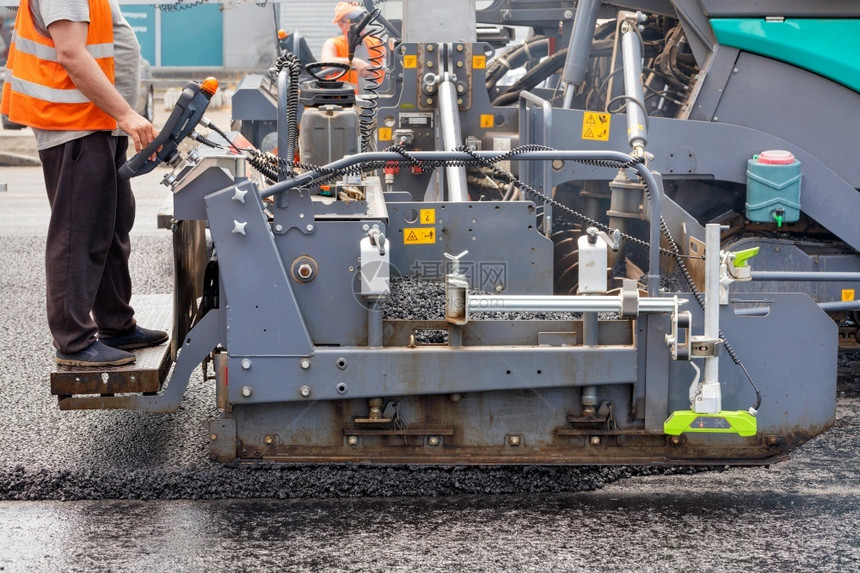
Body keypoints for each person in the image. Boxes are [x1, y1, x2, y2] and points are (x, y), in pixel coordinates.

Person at [1, 0, 168, 367]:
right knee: (78, 234)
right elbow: (72, 54)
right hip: (72, 124)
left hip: (96, 121)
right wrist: (126, 114)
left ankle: (116, 324)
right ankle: (73, 341)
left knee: (111, 226)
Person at [320, 1, 385, 91]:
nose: (361, 22)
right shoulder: (333, 44)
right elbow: (325, 63)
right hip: (346, 102)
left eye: (362, 17)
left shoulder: (375, 42)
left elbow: (396, 57)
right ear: (341, 24)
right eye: (355, 20)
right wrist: (354, 62)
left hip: (378, 101)